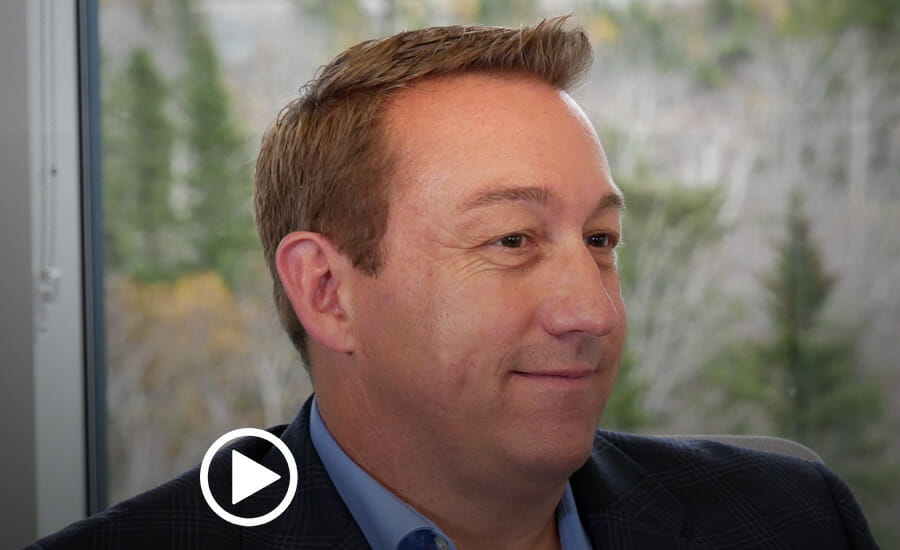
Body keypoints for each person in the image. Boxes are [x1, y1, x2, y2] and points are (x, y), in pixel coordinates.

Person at [30, 16, 879, 550]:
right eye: (511, 239)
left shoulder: (791, 519)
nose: (593, 310)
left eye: (600, 238)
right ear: (326, 291)